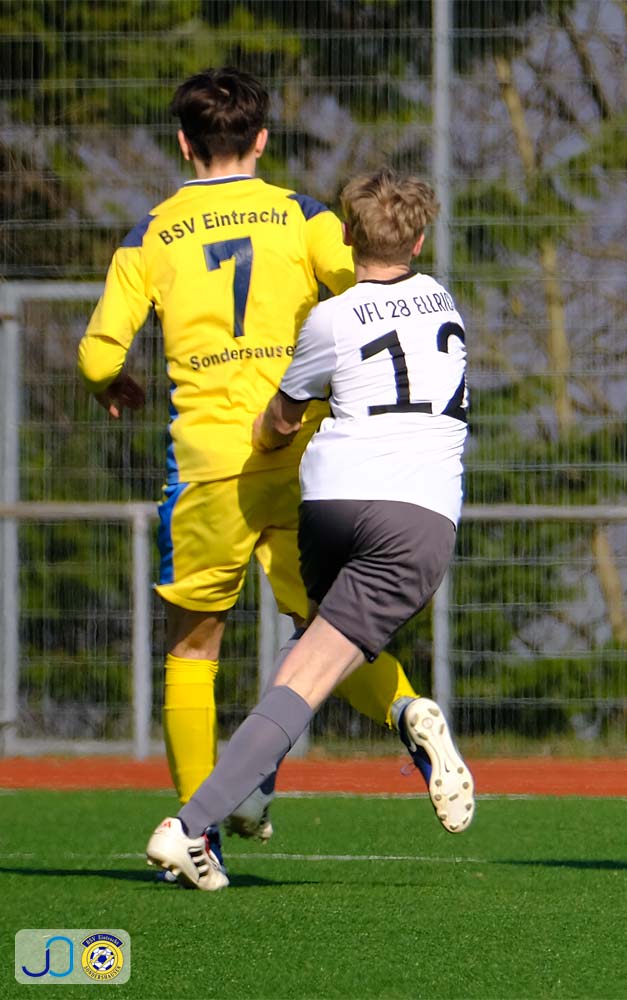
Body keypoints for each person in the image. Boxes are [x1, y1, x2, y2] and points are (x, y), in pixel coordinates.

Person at [77, 68, 429, 865]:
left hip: (210, 468)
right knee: (330, 629)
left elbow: (98, 355)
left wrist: (110, 381)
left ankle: (198, 836)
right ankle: (409, 712)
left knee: (192, 652)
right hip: (299, 456)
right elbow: (367, 284)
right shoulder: (302, 217)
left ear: (183, 144)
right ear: (262, 139)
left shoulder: (151, 234)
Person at [146, 167, 473, 890]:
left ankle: (251, 789)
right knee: (313, 671)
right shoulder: (445, 301)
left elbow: (282, 418)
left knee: (310, 646)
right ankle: (190, 826)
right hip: (414, 518)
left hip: (327, 505)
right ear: (420, 239)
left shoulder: (329, 318)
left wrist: (263, 438)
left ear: (347, 237)